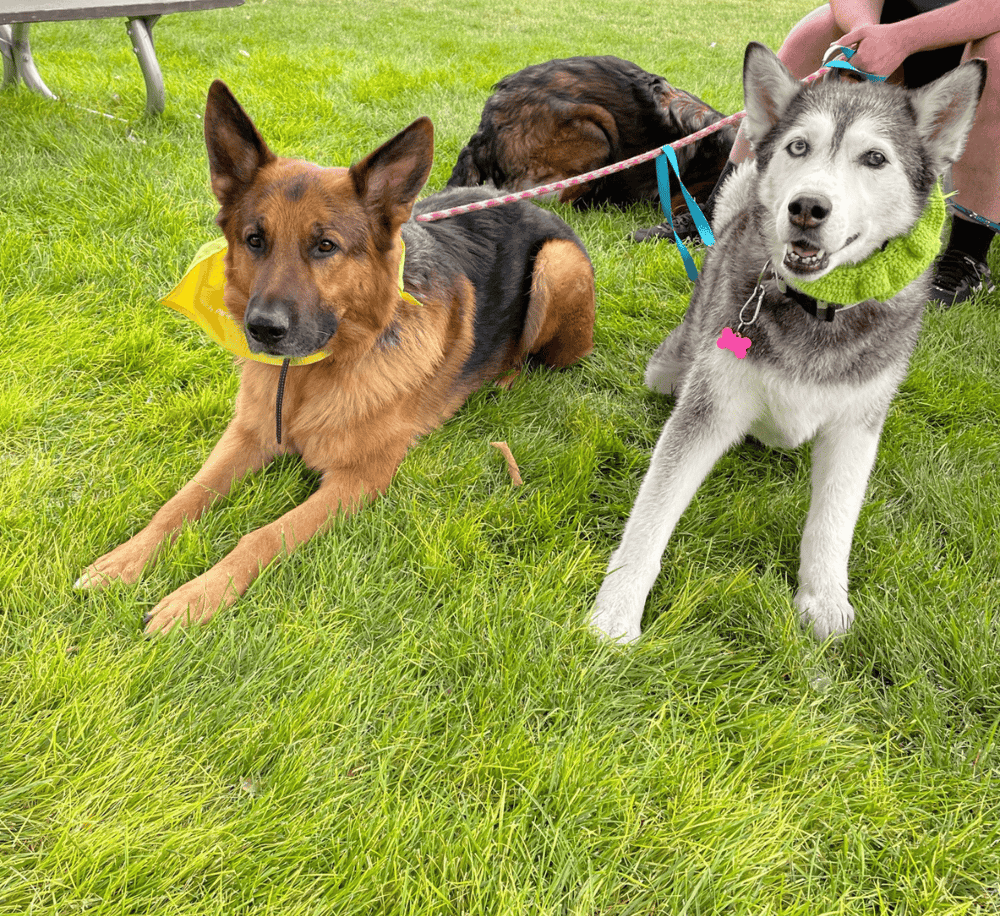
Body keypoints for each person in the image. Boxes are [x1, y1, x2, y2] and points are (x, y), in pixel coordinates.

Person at [636, 0, 1000, 307]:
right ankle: (721, 207)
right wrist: (865, 31)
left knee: (998, 54)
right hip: (895, 24)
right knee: (816, 30)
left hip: (978, 29)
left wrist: (903, 38)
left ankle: (968, 251)